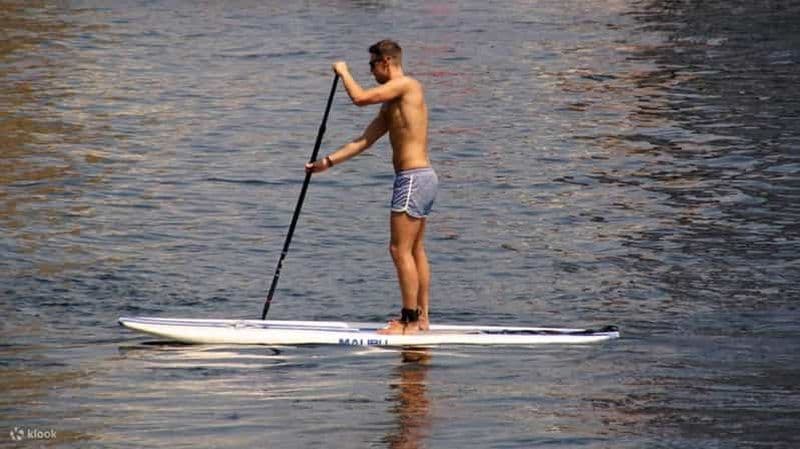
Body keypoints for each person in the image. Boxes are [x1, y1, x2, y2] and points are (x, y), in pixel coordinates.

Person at [305, 39, 437, 335]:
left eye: (371, 65)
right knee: (414, 249)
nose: (370, 71)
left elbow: (361, 98)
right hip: (423, 177)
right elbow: (364, 141)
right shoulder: (394, 104)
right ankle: (422, 319)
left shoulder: (407, 85)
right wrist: (327, 162)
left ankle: (408, 321)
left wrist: (343, 72)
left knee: (398, 249)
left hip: (414, 178)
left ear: (386, 62)